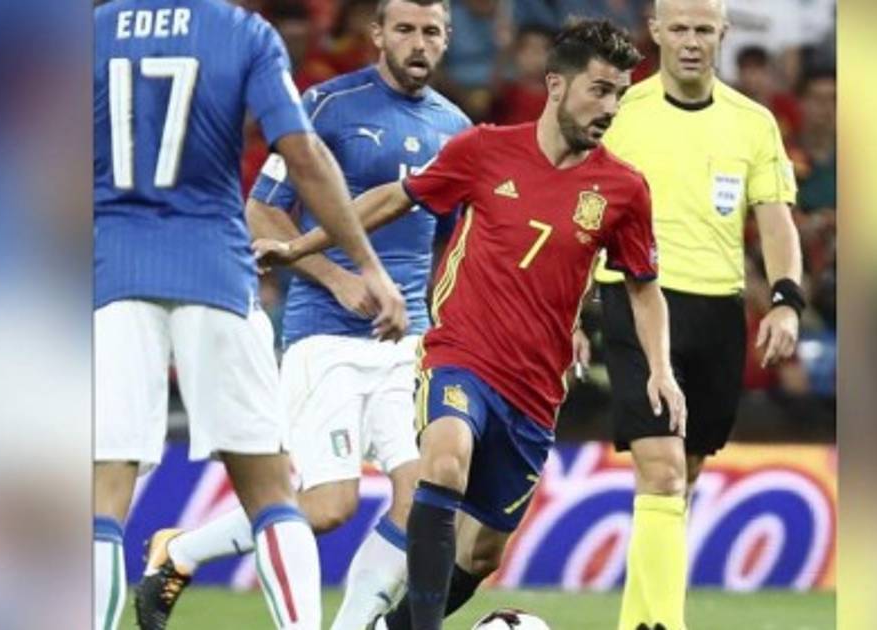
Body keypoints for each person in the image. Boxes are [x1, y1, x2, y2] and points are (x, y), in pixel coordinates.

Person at [257, 18, 686, 630]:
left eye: (619, 93)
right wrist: (299, 247)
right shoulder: (484, 148)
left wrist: (661, 370)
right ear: (556, 85)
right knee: (444, 461)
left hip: (535, 387)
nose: (611, 108)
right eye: (599, 90)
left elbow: (643, 287)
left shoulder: (624, 188)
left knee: (482, 553)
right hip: (460, 354)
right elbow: (392, 198)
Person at [132, 1, 468, 629]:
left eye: (431, 31)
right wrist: (339, 279)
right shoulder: (328, 106)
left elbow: (459, 241)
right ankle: (181, 550)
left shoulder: (457, 128)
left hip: (410, 342)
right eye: (404, 29)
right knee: (331, 505)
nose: (418, 43)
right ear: (377, 34)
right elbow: (261, 212)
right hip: (324, 337)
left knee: (422, 500)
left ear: (447, 39)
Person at [591, 1, 803, 628]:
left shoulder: (753, 122)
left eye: (703, 30)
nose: (690, 41)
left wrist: (786, 300)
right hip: (635, 299)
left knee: (678, 478)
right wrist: (569, 308)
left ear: (723, 34)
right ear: (655, 31)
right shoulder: (620, 112)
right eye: (678, 28)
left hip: (717, 312)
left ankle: (638, 621)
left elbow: (775, 220)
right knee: (660, 470)